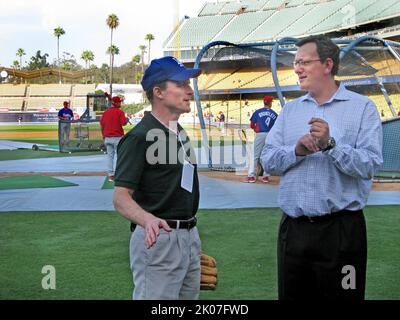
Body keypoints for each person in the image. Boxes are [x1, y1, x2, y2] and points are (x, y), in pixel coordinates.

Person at [261, 35, 383, 300]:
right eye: (295, 62)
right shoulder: (290, 111)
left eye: (304, 61)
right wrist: (297, 150)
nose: (297, 68)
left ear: (328, 65)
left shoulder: (363, 108)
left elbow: (370, 165)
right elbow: (267, 160)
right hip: (293, 232)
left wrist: (331, 145)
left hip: (342, 233)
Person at [112, 56, 202, 300]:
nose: (189, 91)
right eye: (182, 84)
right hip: (158, 237)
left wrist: (187, 243)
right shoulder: (139, 137)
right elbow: (121, 197)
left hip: (187, 236)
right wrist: (147, 219)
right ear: (158, 92)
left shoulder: (179, 132)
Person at [242, 95, 277, 183]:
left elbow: (251, 125)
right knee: (267, 155)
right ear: (270, 103)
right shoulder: (275, 114)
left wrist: (255, 129)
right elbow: (277, 127)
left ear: (264, 102)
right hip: (270, 135)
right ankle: (265, 176)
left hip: (260, 134)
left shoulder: (258, 112)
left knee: (255, 155)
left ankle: (251, 176)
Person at [100, 96, 128, 182]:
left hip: (107, 137)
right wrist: (127, 119)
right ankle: (120, 174)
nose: (120, 103)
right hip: (118, 138)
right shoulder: (120, 112)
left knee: (110, 157)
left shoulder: (106, 112)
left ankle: (111, 176)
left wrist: (103, 136)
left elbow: (102, 125)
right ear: (116, 103)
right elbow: (124, 123)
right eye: (119, 102)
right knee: (121, 157)